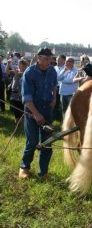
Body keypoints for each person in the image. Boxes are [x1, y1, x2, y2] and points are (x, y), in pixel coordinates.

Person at [19, 48, 57, 179]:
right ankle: (24, 167)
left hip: (47, 109)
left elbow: (54, 86)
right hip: (32, 110)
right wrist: (36, 114)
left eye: (50, 59)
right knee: (32, 141)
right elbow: (27, 98)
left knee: (47, 142)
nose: (49, 61)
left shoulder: (52, 70)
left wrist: (54, 99)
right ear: (38, 57)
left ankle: (43, 172)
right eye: (46, 59)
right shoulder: (29, 73)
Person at [6, 59, 28, 124]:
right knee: (16, 109)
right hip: (14, 94)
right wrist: (8, 63)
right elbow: (7, 71)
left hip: (21, 94)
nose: (18, 65)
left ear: (24, 66)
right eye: (18, 64)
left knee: (22, 109)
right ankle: (17, 122)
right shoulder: (17, 70)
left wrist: (17, 74)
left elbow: (22, 74)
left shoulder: (26, 72)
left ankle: (22, 123)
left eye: (19, 64)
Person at [53, 54, 66, 121]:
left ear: (64, 60)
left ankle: (62, 118)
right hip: (55, 87)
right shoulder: (54, 68)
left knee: (62, 104)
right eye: (57, 59)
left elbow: (61, 78)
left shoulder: (66, 68)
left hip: (63, 88)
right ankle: (56, 118)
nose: (57, 61)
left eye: (59, 59)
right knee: (55, 103)